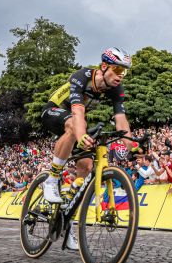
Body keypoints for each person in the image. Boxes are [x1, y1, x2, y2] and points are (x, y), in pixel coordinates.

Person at [40, 48, 133, 250]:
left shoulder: (116, 88)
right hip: (54, 112)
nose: (121, 75)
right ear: (104, 66)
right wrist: (81, 135)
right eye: (118, 70)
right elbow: (77, 112)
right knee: (76, 127)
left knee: (87, 165)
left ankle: (67, 219)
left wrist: (132, 146)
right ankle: (52, 178)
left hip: (76, 120)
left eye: (124, 71)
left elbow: (121, 120)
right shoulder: (82, 77)